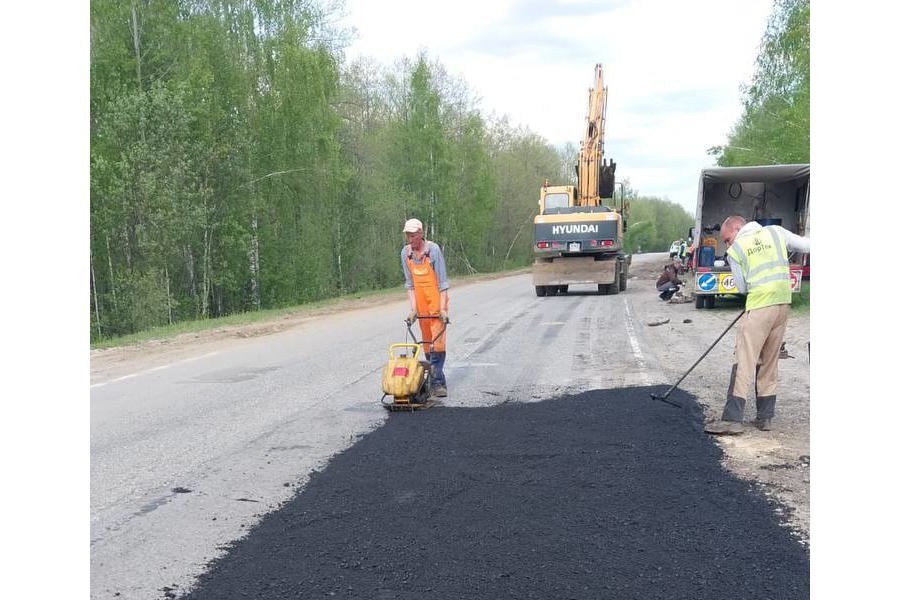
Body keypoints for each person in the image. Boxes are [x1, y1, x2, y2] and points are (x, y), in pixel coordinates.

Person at [704, 215, 810, 435]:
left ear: (737, 228)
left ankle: (732, 419)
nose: (727, 244)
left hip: (760, 305)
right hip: (782, 304)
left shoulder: (736, 250)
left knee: (744, 359)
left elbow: (742, 287)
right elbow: (806, 245)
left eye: (726, 239)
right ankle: (765, 417)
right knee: (770, 360)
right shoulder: (776, 232)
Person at [400, 218, 450, 398]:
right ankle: (433, 379)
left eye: (413, 235)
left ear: (420, 234)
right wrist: (413, 309)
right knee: (427, 343)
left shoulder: (433, 250)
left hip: (436, 302)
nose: (410, 238)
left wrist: (443, 309)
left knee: (438, 343)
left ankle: (437, 383)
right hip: (421, 304)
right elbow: (410, 285)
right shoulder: (405, 254)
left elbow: (443, 283)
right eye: (408, 235)